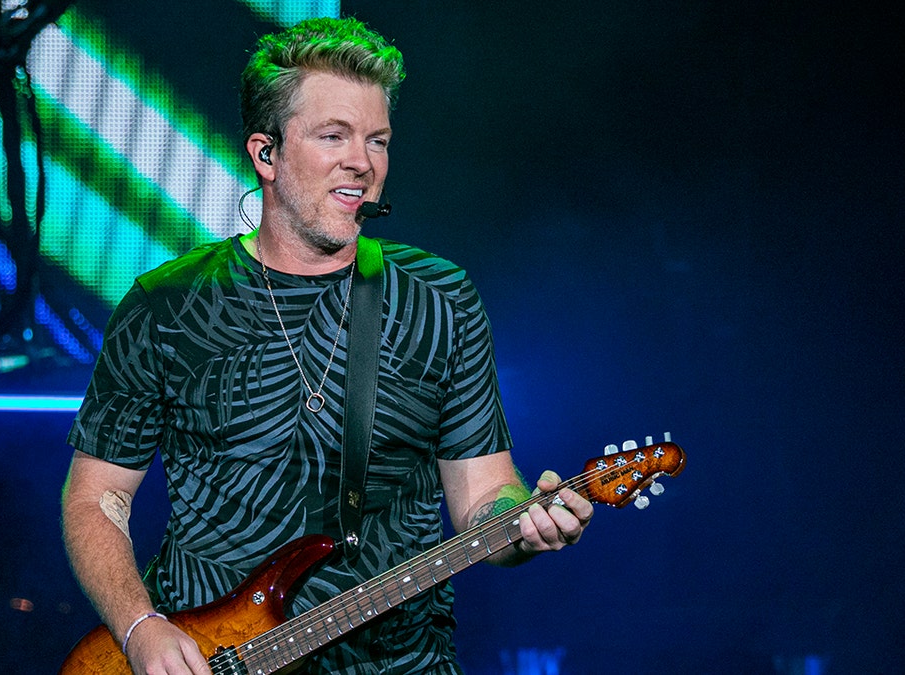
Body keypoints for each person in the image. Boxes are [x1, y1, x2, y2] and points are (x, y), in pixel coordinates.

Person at [60, 16, 593, 675]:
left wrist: (524, 523)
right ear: (266, 154)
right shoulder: (167, 304)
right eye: (333, 136)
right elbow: (95, 498)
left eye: (377, 140)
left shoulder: (438, 297)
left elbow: (485, 494)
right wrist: (140, 628)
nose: (362, 163)